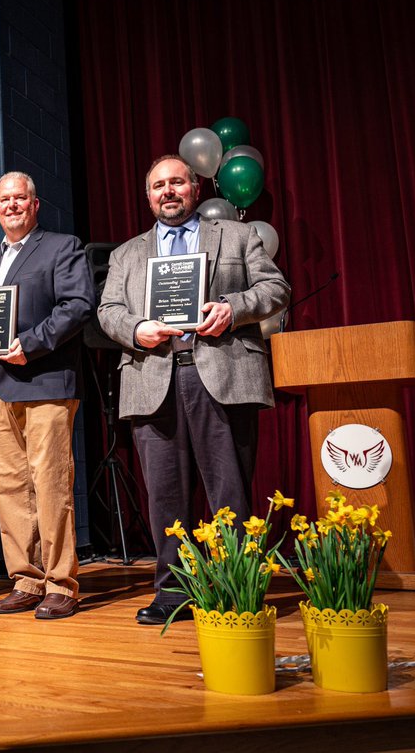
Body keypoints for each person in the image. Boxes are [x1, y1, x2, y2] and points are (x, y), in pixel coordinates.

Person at [97, 154, 290, 625]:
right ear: (148, 197)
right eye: (158, 185)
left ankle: (237, 588)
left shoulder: (237, 236)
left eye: (177, 182)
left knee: (230, 491)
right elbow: (108, 311)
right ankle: (173, 592)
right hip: (152, 377)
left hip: (222, 373)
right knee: (165, 495)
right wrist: (136, 328)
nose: (168, 191)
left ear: (195, 188)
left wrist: (232, 307)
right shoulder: (126, 254)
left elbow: (275, 288)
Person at [0, 171, 93, 620]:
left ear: (35, 205)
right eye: (4, 200)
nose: (12, 206)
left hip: (46, 384)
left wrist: (31, 344)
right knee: (11, 489)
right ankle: (26, 580)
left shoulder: (61, 246)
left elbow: (78, 305)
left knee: (51, 484)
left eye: (20, 198)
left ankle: (60, 584)